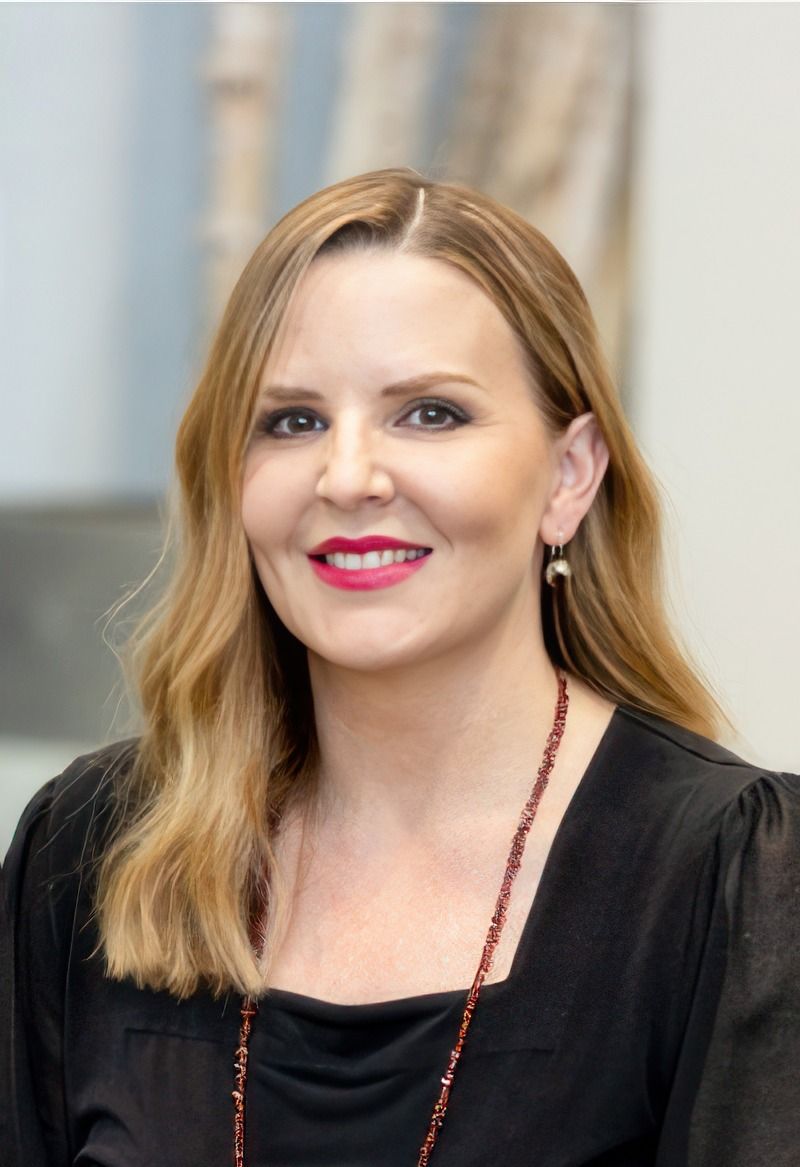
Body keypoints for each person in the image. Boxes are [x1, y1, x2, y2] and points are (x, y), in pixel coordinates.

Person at [4, 168, 799, 1167]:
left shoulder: (733, 879)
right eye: (291, 421)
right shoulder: (91, 852)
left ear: (568, 475)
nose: (346, 477)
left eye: (427, 413)